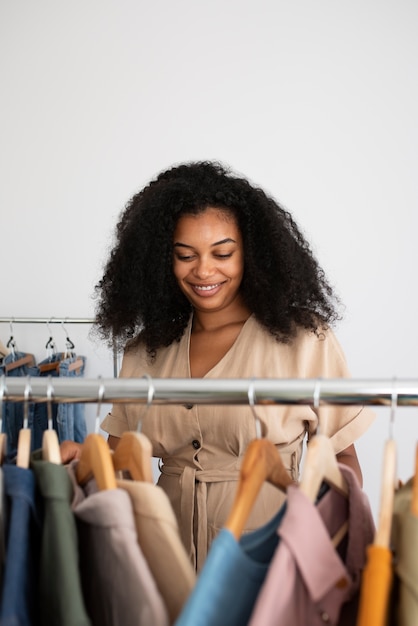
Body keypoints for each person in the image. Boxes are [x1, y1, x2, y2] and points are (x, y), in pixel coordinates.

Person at [61, 161, 375, 571]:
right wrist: (77, 456)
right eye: (185, 255)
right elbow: (119, 460)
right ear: (162, 261)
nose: (204, 271)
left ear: (252, 252)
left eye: (222, 253)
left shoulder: (303, 339)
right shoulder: (146, 351)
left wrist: (316, 531)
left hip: (272, 556)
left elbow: (345, 461)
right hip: (163, 555)